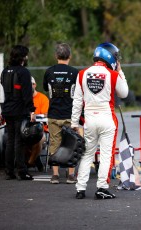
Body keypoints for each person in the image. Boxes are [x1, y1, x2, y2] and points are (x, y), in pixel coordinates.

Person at [71, 42, 129, 199]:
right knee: (105, 155)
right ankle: (102, 187)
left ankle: (80, 189)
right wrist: (120, 70)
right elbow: (124, 93)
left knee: (87, 153)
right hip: (107, 119)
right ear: (110, 57)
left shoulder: (82, 74)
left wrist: (74, 123)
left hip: (90, 119)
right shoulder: (113, 75)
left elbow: (77, 100)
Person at [43, 42, 79, 184]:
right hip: (70, 114)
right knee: (72, 143)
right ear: (69, 56)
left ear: (56, 55)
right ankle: (70, 175)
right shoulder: (74, 72)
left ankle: (55, 175)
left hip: (53, 114)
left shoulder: (49, 71)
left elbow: (46, 88)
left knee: (54, 144)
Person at [0, 45, 36, 180]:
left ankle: (9, 171)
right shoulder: (24, 72)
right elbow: (27, 94)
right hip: (20, 110)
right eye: (25, 55)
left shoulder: (5, 71)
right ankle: (22, 171)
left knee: (10, 141)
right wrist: (32, 110)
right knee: (19, 141)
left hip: (7, 109)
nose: (27, 57)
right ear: (22, 57)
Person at [26, 76, 49, 172]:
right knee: (19, 140)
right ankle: (36, 159)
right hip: (25, 128)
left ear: (34, 85)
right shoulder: (23, 99)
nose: (28, 87)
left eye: (30, 84)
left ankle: (30, 162)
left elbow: (44, 115)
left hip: (41, 129)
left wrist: (33, 116)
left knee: (37, 140)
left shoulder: (42, 98)